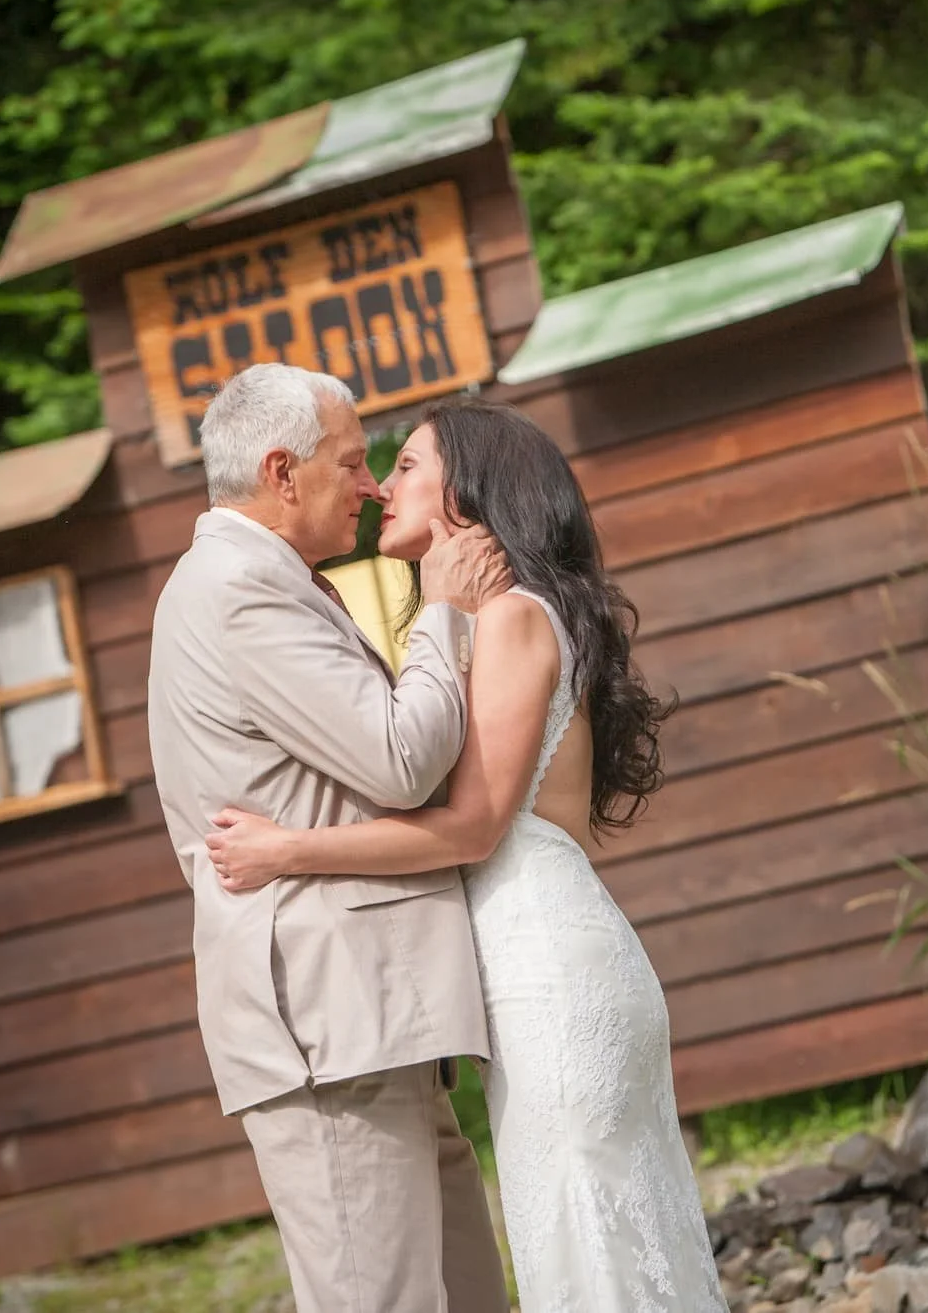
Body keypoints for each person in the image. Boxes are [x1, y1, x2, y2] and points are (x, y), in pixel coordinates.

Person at [206, 401, 725, 1313]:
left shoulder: (514, 619)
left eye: (405, 465)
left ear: (468, 492)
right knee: (587, 1244)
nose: (379, 487)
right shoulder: (490, 624)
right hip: (536, 972)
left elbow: (476, 825)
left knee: (588, 1252)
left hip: (554, 982)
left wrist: (290, 850)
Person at [146, 363, 513, 1313]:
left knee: (466, 1293)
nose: (371, 485)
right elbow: (400, 759)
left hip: (364, 1018)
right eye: (352, 463)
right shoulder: (239, 591)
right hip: (328, 1021)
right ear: (282, 471)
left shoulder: (262, 580)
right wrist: (446, 608)